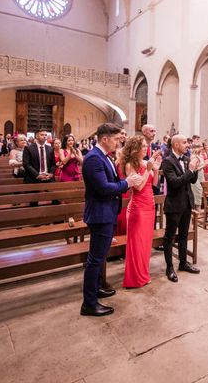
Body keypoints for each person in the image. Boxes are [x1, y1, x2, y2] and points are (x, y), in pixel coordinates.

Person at [80, 123, 142, 317]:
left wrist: (122, 183)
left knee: (99, 257)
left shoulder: (104, 157)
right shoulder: (93, 159)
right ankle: (89, 304)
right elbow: (104, 188)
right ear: (104, 139)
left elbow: (111, 183)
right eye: (116, 139)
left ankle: (97, 288)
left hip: (106, 212)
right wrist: (127, 183)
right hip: (100, 214)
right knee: (95, 260)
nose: (119, 141)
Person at [161, 134, 204, 282]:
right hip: (174, 205)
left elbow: (192, 180)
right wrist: (190, 170)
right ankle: (169, 267)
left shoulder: (186, 159)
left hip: (186, 203)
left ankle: (183, 263)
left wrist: (195, 169)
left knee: (184, 234)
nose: (188, 145)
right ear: (176, 145)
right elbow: (174, 183)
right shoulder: (167, 162)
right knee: (170, 237)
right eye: (185, 143)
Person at [120, 135, 161, 289]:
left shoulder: (145, 162)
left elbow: (154, 184)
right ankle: (134, 278)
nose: (146, 148)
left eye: (146, 146)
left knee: (145, 243)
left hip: (149, 206)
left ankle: (144, 274)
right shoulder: (130, 165)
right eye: (143, 146)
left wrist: (155, 170)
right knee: (136, 244)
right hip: (138, 209)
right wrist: (148, 169)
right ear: (135, 148)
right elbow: (138, 187)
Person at [189, 142, 207, 209]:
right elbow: (194, 169)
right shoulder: (193, 156)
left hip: (201, 175)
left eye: (202, 146)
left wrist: (204, 165)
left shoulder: (201, 156)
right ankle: (196, 210)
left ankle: (198, 210)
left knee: (200, 192)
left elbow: (202, 166)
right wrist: (204, 165)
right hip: (195, 176)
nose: (202, 148)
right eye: (200, 147)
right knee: (197, 192)